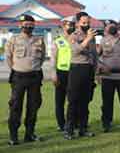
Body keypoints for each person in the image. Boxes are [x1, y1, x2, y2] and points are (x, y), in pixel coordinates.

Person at [6, 14, 46, 145]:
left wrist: (34, 68)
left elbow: (42, 58)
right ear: (20, 25)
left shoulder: (39, 40)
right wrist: (18, 68)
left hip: (34, 77)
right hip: (19, 77)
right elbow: (9, 57)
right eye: (25, 25)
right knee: (16, 106)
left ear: (34, 26)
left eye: (30, 25)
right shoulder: (14, 40)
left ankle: (29, 134)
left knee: (33, 106)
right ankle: (13, 136)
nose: (28, 27)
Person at [65, 11, 98, 139]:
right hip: (77, 69)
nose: (87, 24)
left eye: (88, 22)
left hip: (88, 70)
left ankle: (83, 128)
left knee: (85, 101)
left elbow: (94, 54)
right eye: (84, 22)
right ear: (78, 23)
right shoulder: (73, 35)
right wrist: (88, 38)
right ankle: (69, 130)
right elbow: (76, 50)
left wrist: (95, 71)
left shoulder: (92, 36)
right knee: (73, 101)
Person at [51, 18, 75, 132]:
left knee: (74, 99)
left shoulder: (77, 39)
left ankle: (73, 122)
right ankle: (61, 124)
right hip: (61, 73)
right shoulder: (57, 41)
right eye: (68, 25)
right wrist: (53, 74)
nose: (71, 27)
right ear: (63, 26)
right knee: (60, 101)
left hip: (75, 72)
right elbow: (53, 59)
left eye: (73, 25)